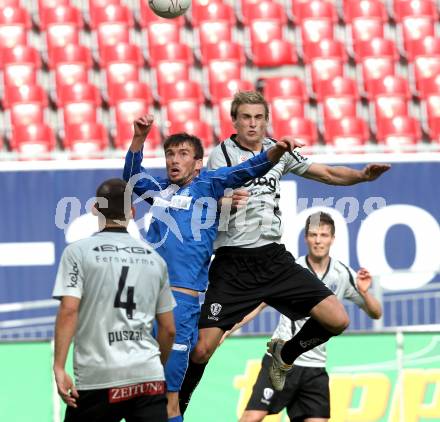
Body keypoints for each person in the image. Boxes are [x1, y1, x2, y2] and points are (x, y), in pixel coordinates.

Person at [179, 91, 390, 412]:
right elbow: (203, 199)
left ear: (266, 120)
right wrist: (225, 201)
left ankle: (285, 355)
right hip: (233, 264)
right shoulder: (221, 154)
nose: (253, 123)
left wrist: (362, 177)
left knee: (337, 319)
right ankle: (177, 406)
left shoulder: (278, 151)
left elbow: (328, 173)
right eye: (246, 117)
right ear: (234, 120)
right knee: (201, 350)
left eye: (259, 117)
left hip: (274, 259)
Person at [122, 115, 304, 422]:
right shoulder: (160, 192)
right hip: (143, 303)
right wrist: (139, 138)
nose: (174, 161)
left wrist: (275, 152)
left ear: (197, 162)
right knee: (137, 391)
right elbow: (131, 178)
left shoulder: (208, 186)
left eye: (182, 154)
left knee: (169, 399)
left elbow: (247, 169)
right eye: (169, 154)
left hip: (180, 304)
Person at [225, 211, 383, 422]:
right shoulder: (292, 270)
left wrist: (364, 292)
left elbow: (376, 312)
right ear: (306, 237)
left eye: (324, 235)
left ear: (332, 239)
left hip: (315, 368)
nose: (318, 240)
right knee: (251, 418)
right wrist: (227, 329)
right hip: (279, 363)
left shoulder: (342, 273)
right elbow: (259, 304)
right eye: (313, 234)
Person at [52, 178, 177, 422]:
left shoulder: (78, 252)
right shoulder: (154, 259)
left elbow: (69, 310)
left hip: (99, 376)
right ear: (132, 211)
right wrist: (155, 366)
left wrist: (59, 366)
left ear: (95, 209)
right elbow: (169, 329)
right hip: (147, 377)